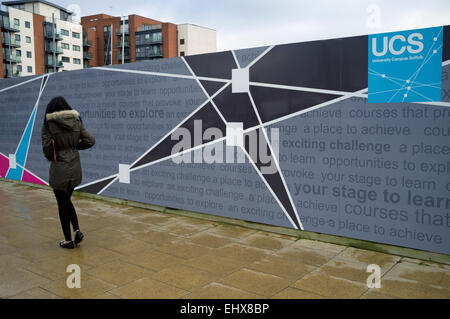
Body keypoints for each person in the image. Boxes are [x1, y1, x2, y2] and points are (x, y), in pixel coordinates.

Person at [41, 97, 95, 249]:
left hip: (59, 169)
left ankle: (68, 240)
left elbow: (47, 149)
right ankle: (77, 231)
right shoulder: (76, 120)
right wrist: (74, 148)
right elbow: (90, 140)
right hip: (75, 167)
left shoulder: (48, 124)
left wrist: (55, 155)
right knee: (66, 201)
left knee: (62, 203)